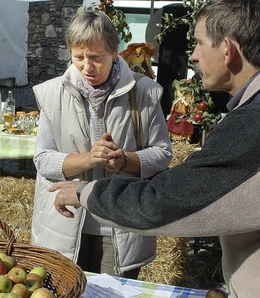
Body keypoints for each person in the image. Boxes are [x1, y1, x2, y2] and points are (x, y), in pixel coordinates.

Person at [50, 0, 260, 296]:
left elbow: (165, 203)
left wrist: (86, 192)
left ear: (227, 50)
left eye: (200, 44)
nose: (194, 56)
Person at [31, 11, 173, 278]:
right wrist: (89, 158)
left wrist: (125, 160)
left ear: (115, 52)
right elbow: (42, 159)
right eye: (79, 57)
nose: (87, 66)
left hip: (118, 223)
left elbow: (163, 153)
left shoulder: (144, 92)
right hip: (66, 223)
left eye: (96, 58)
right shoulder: (51, 94)